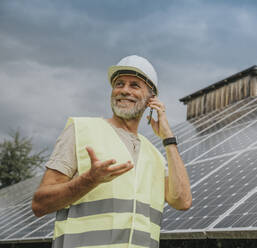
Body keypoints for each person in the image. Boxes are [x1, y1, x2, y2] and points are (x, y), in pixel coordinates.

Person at [32, 55, 192, 248]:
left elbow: (182, 201)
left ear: (151, 99)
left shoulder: (155, 155)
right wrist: (89, 180)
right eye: (119, 84)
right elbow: (40, 205)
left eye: (134, 85)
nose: (124, 90)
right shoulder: (81, 130)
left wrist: (168, 138)